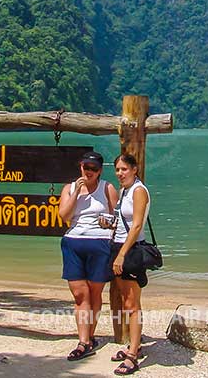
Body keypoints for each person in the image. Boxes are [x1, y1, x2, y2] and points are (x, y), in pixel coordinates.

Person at [58, 151, 118, 361]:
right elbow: (64, 216)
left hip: (99, 243)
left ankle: (89, 337)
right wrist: (77, 192)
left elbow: (117, 219)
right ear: (80, 167)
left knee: (94, 294)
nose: (89, 172)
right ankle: (83, 341)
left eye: (93, 169)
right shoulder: (69, 188)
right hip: (73, 242)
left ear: (100, 171)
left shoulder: (107, 188)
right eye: (86, 167)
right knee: (79, 295)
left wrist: (108, 222)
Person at [109, 153, 150, 375]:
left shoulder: (139, 190)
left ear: (135, 169)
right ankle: (134, 345)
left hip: (131, 251)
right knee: (126, 301)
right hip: (119, 247)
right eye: (117, 169)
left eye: (124, 169)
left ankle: (133, 355)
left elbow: (136, 227)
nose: (120, 173)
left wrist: (122, 254)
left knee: (133, 304)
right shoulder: (125, 191)